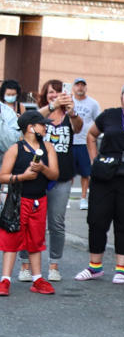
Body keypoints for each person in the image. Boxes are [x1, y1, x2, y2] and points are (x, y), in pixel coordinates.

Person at [77, 83, 124, 284]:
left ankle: (121, 269)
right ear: (122, 98)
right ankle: (94, 267)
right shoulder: (109, 116)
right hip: (104, 176)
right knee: (96, 220)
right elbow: (91, 134)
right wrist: (94, 160)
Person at [17, 81, 81, 282]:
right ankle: (25, 266)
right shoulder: (39, 115)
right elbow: (29, 118)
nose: (55, 95)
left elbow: (78, 129)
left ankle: (54, 265)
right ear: (45, 95)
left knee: (56, 223)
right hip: (34, 177)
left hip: (60, 177)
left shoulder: (68, 115)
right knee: (28, 223)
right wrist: (53, 106)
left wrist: (72, 112)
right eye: (51, 92)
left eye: (58, 92)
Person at [0, 110, 59, 295]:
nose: (46, 126)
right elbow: (2, 176)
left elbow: (55, 175)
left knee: (36, 240)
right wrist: (23, 176)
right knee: (11, 238)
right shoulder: (15, 149)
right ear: (31, 128)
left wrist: (42, 168)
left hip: (39, 200)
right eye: (42, 124)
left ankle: (37, 279)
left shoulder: (48, 147)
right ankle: (5, 280)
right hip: (18, 200)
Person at [71, 78, 101, 210]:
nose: (80, 88)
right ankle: (66, 198)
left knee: (85, 173)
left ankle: (83, 198)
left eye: (82, 85)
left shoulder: (93, 104)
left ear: (86, 88)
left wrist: (93, 139)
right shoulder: (68, 102)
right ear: (73, 87)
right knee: (69, 174)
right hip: (70, 142)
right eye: (77, 85)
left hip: (85, 143)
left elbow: (98, 122)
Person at [0, 79, 21, 156]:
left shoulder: (19, 108)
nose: (11, 97)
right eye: (8, 94)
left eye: (13, 94)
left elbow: (13, 141)